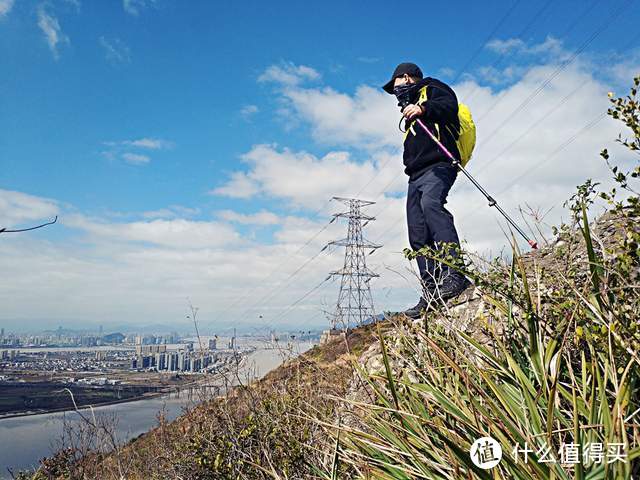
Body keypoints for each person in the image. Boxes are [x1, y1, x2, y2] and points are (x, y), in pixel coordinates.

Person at [382, 62, 471, 318]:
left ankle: (454, 274)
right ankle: (431, 289)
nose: (396, 92)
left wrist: (422, 108)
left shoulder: (432, 88)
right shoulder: (407, 111)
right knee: (417, 231)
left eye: (397, 86)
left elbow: (449, 106)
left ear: (406, 77)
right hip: (415, 175)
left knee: (432, 206)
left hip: (439, 164)